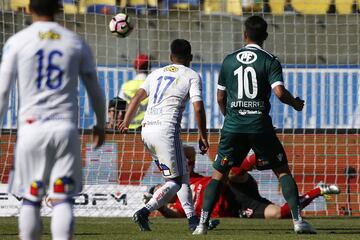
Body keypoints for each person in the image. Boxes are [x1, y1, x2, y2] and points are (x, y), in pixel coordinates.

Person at [193, 15, 315, 235]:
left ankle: (201, 224)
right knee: (283, 172)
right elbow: (279, 92)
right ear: (265, 36)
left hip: (233, 126)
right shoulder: (270, 60)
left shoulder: (229, 60)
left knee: (218, 176)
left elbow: (220, 98)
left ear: (244, 34)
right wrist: (296, 103)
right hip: (259, 125)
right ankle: (298, 222)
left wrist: (230, 117)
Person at [0, 0, 106, 239]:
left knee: (31, 197)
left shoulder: (17, 42)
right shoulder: (75, 41)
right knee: (62, 197)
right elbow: (95, 89)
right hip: (65, 127)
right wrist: (101, 123)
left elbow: (3, 92)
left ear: (28, 9)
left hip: (31, 128)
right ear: (59, 8)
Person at [119, 39, 209, 231]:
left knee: (182, 175)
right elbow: (198, 108)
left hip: (147, 131)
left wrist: (126, 121)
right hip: (166, 131)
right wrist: (203, 136)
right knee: (175, 182)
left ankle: (193, 222)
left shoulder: (156, 74)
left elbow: (136, 97)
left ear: (170, 57)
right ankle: (144, 211)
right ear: (190, 57)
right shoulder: (192, 75)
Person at [148, 154, 340, 220]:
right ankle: (319, 190)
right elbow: (172, 216)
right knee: (279, 215)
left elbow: (189, 153)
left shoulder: (187, 179)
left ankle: (258, 154)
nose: (160, 192)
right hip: (239, 207)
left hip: (233, 186)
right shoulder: (181, 208)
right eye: (158, 195)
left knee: (230, 173)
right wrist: (160, 207)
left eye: (158, 189)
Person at [118, 54, 151, 129]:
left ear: (135, 67)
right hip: (148, 128)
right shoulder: (153, 85)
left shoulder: (125, 86)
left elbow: (120, 111)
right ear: (149, 67)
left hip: (129, 128)